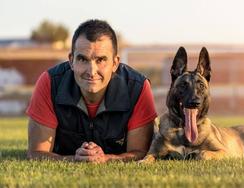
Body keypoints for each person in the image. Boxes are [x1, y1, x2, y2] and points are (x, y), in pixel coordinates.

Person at [26, 19, 157, 163]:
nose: (91, 71)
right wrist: (74, 159)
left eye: (100, 60)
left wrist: (105, 159)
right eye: (83, 59)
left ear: (115, 63)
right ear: (71, 60)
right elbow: (36, 153)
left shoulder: (137, 87)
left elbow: (140, 153)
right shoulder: (50, 82)